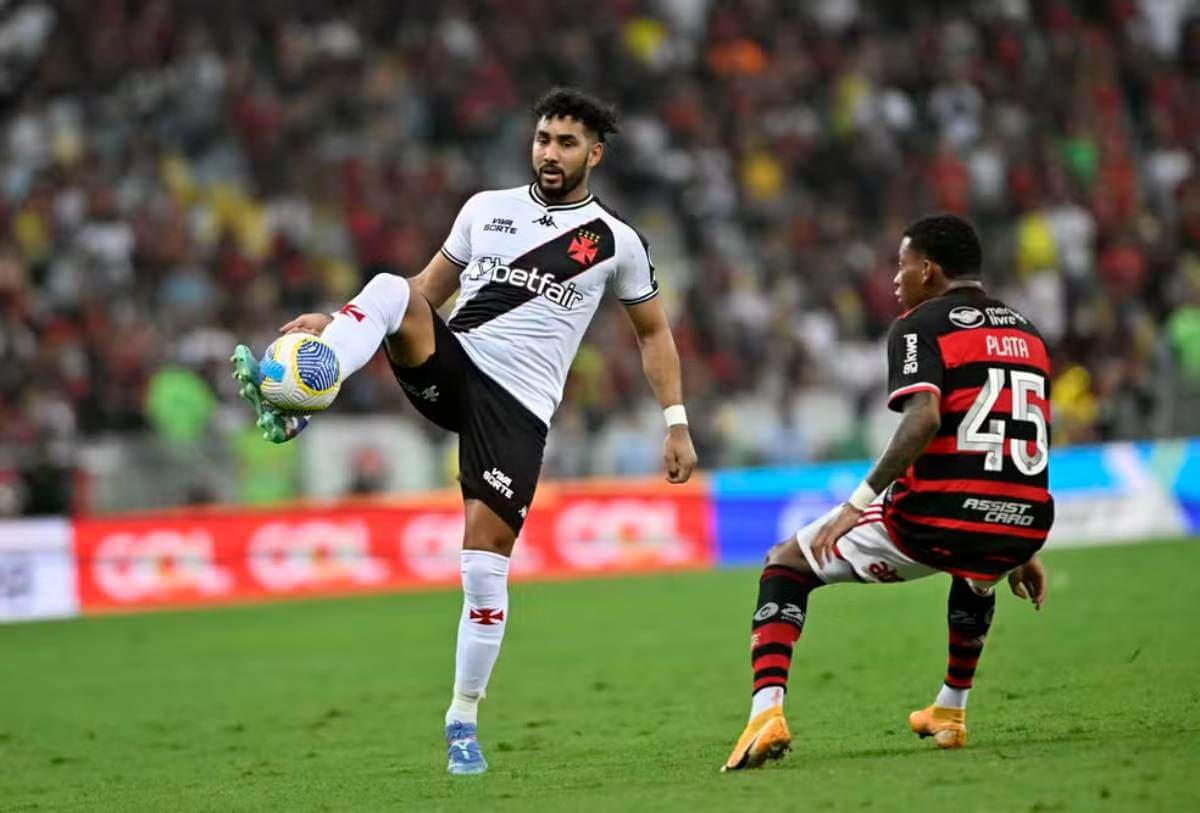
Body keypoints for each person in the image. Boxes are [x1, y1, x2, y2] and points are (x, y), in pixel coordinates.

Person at [231, 87, 697, 776]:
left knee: (484, 565)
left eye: (566, 143)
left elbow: (653, 334)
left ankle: (461, 718)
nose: (549, 152)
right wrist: (334, 323)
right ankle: (312, 387)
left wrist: (676, 422)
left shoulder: (616, 243)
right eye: (543, 138)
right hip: (456, 368)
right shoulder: (485, 210)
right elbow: (423, 292)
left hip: (518, 410)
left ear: (593, 154)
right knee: (392, 285)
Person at [722, 215, 1053, 771]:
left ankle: (766, 713)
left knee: (786, 564)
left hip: (937, 517)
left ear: (928, 269)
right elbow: (1026, 432)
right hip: (1022, 517)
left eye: (901, 265)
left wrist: (857, 503)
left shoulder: (920, 325)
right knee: (976, 572)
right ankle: (951, 710)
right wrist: (1022, 543)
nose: (895, 279)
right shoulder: (1028, 332)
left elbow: (923, 419)